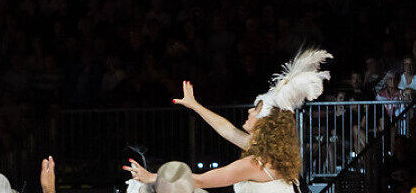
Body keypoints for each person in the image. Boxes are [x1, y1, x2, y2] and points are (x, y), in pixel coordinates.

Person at [123, 49, 331, 192]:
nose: (250, 111)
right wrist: (195, 106)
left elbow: (201, 179)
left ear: (265, 123)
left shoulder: (256, 163)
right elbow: (227, 130)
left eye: (256, 110)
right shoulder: (267, 152)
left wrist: (151, 178)